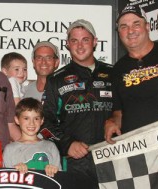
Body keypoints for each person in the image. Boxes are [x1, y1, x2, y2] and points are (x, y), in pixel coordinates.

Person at [39, 19, 113, 183]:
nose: (80, 46)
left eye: (85, 40)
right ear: (67, 44)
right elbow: (44, 124)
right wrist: (67, 144)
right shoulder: (56, 80)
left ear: (95, 42)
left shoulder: (113, 73)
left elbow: (126, 111)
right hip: (74, 163)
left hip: (113, 158)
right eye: (74, 40)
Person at [104, 5, 158, 144]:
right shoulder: (118, 69)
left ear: (147, 26)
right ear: (119, 32)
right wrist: (112, 122)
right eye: (124, 26)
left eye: (136, 24)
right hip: (138, 148)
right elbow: (118, 111)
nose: (130, 31)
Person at [3, 98, 61, 177]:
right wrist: (14, 172)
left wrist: (54, 171)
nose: (32, 123)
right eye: (26, 118)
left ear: (42, 121)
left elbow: (60, 179)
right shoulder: (10, 149)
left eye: (36, 118)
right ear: (17, 120)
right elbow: (5, 180)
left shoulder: (51, 146)